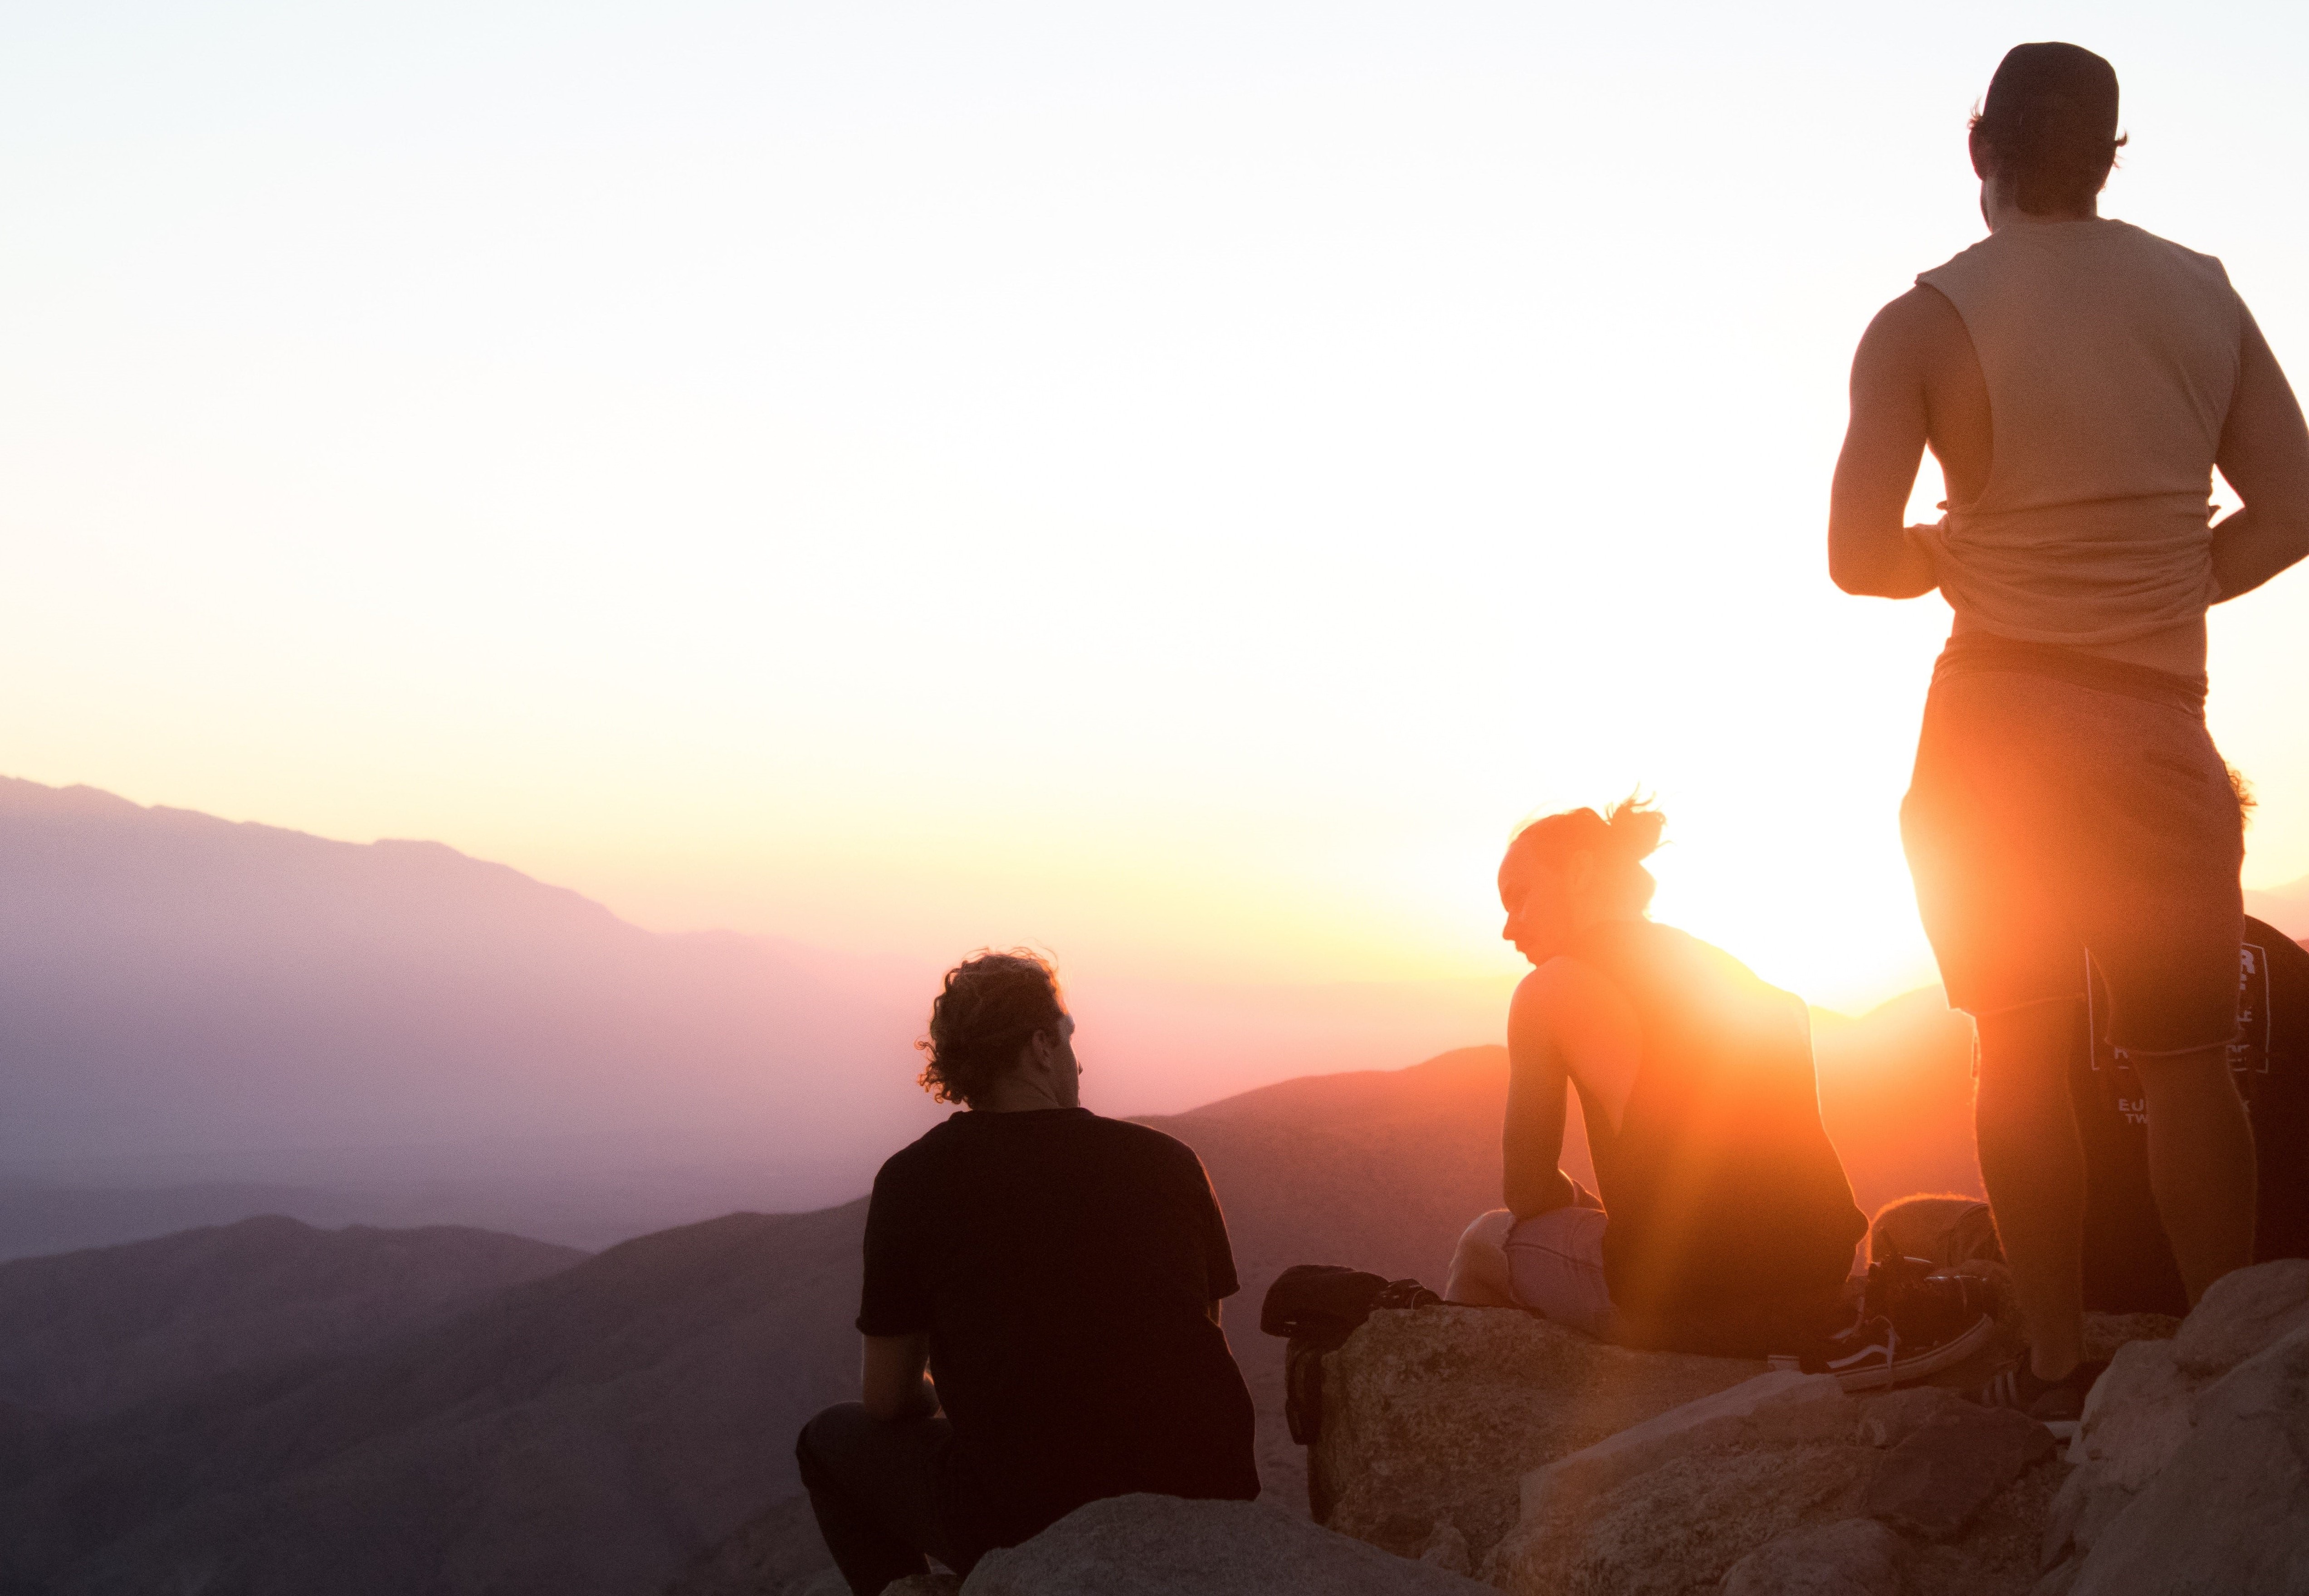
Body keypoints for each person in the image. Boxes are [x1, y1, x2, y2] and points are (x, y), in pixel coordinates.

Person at [1829, 42, 2309, 1418]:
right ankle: (2227, 1371)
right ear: (2108, 156)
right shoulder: (2197, 298)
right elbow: (2287, 513)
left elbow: (1858, 557)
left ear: (1977, 144)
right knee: (2184, 1062)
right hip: (2151, 721)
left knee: (2019, 1050)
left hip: (1991, 722)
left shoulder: (1920, 323)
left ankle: (2051, 1361)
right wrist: (2163, 579)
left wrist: (1965, 555)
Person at [795, 950, 1258, 1594]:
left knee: (823, 1444)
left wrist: (947, 1402)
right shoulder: (1168, 1162)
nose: (1078, 1059)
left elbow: (885, 1399)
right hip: (1210, 1487)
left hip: (1028, 1515)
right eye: (1069, 1039)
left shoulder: (914, 1182)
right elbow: (1197, 1338)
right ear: (1040, 1047)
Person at [1444, 800, 1890, 1363]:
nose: (1509, 928)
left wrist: (1579, 1202)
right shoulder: (1742, 978)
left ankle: (1472, 1416)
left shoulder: (1548, 989)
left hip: (1690, 1305)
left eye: (1519, 897)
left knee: (1485, 1240)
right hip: (1820, 1287)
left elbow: (1527, 1193)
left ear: (1579, 874)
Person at [1874, 915, 2309, 1316]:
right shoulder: (2284, 959)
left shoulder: (2032, 969)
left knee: (1900, 1224)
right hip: (2265, 1266)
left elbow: (2018, 1141)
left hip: (2091, 1275)